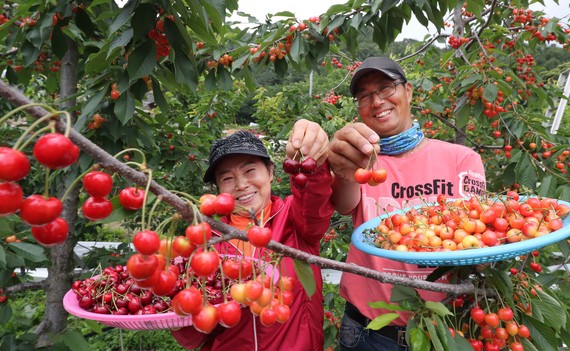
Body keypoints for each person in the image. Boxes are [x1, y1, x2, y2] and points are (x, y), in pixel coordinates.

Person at [327, 57, 487, 351]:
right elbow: (342, 203)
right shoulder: (360, 165)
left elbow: (477, 236)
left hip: (442, 331)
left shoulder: (461, 158)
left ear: (408, 91)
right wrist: (343, 169)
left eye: (386, 88)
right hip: (368, 331)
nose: (376, 101)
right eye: (364, 96)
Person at [171, 119, 334, 351]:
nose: (241, 184)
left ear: (270, 172)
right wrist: (172, 305)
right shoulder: (206, 243)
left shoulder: (295, 219)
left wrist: (310, 160)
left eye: (249, 170)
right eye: (227, 178)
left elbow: (314, 196)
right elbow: (194, 336)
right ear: (219, 190)